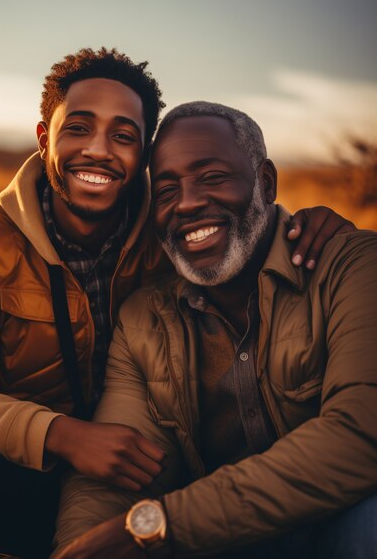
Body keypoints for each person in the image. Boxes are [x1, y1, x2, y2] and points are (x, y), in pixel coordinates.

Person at [0, 46, 353, 559]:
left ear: (143, 155)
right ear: (42, 136)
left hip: (155, 483)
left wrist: (300, 223)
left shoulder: (174, 234)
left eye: (123, 135)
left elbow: (236, 223)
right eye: (78, 128)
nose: (98, 150)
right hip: (29, 473)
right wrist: (62, 436)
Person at [54, 101, 377, 559]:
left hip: (336, 529)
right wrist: (79, 549)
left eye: (212, 177)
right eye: (166, 191)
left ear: (265, 182)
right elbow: (118, 472)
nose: (186, 203)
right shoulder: (144, 319)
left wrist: (161, 526)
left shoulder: (353, 267)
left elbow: (360, 434)